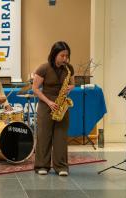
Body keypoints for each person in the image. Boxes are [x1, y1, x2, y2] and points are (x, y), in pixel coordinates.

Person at [32, 41, 75, 176]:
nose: (65, 59)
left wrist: (71, 87)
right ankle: (41, 166)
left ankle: (61, 167)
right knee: (44, 136)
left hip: (62, 105)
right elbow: (35, 88)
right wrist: (49, 102)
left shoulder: (69, 68)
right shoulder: (43, 68)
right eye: (62, 55)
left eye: (66, 56)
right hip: (46, 105)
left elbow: (73, 83)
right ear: (54, 54)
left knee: (61, 137)